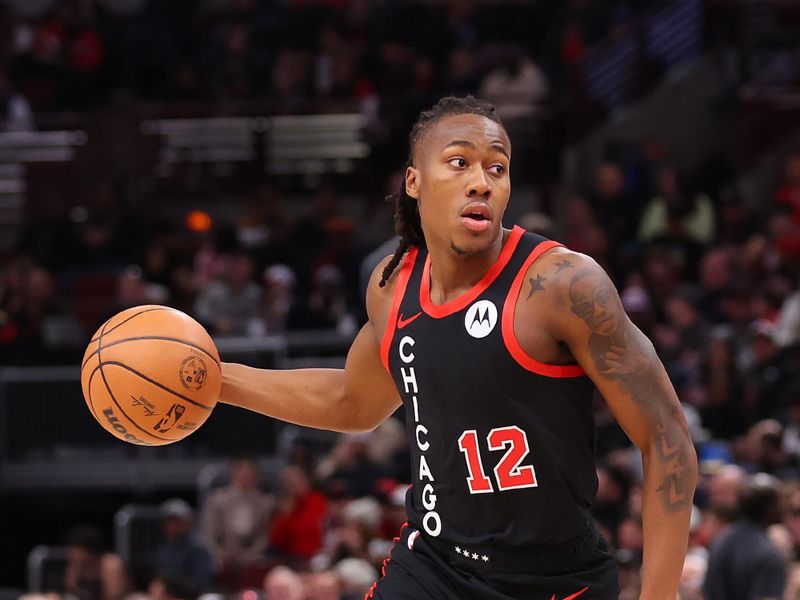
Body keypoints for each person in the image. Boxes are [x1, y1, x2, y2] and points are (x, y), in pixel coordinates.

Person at [219, 96, 697, 599]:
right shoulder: (392, 288)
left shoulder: (562, 284)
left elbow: (668, 441)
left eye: (498, 167)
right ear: (413, 182)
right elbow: (352, 402)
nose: (481, 181)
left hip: (551, 577)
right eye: (459, 162)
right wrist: (218, 380)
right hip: (435, 564)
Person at [703, 473, 787, 600]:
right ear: (769, 508)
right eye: (778, 503)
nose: (782, 508)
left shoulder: (721, 539)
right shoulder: (769, 554)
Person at [202, 458, 274, 589]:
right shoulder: (218, 499)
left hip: (252, 561)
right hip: (223, 558)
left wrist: (251, 556)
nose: (245, 475)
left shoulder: (264, 502)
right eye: (241, 471)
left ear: (255, 476)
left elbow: (264, 534)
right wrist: (220, 556)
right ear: (233, 474)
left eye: (249, 472)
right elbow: (210, 532)